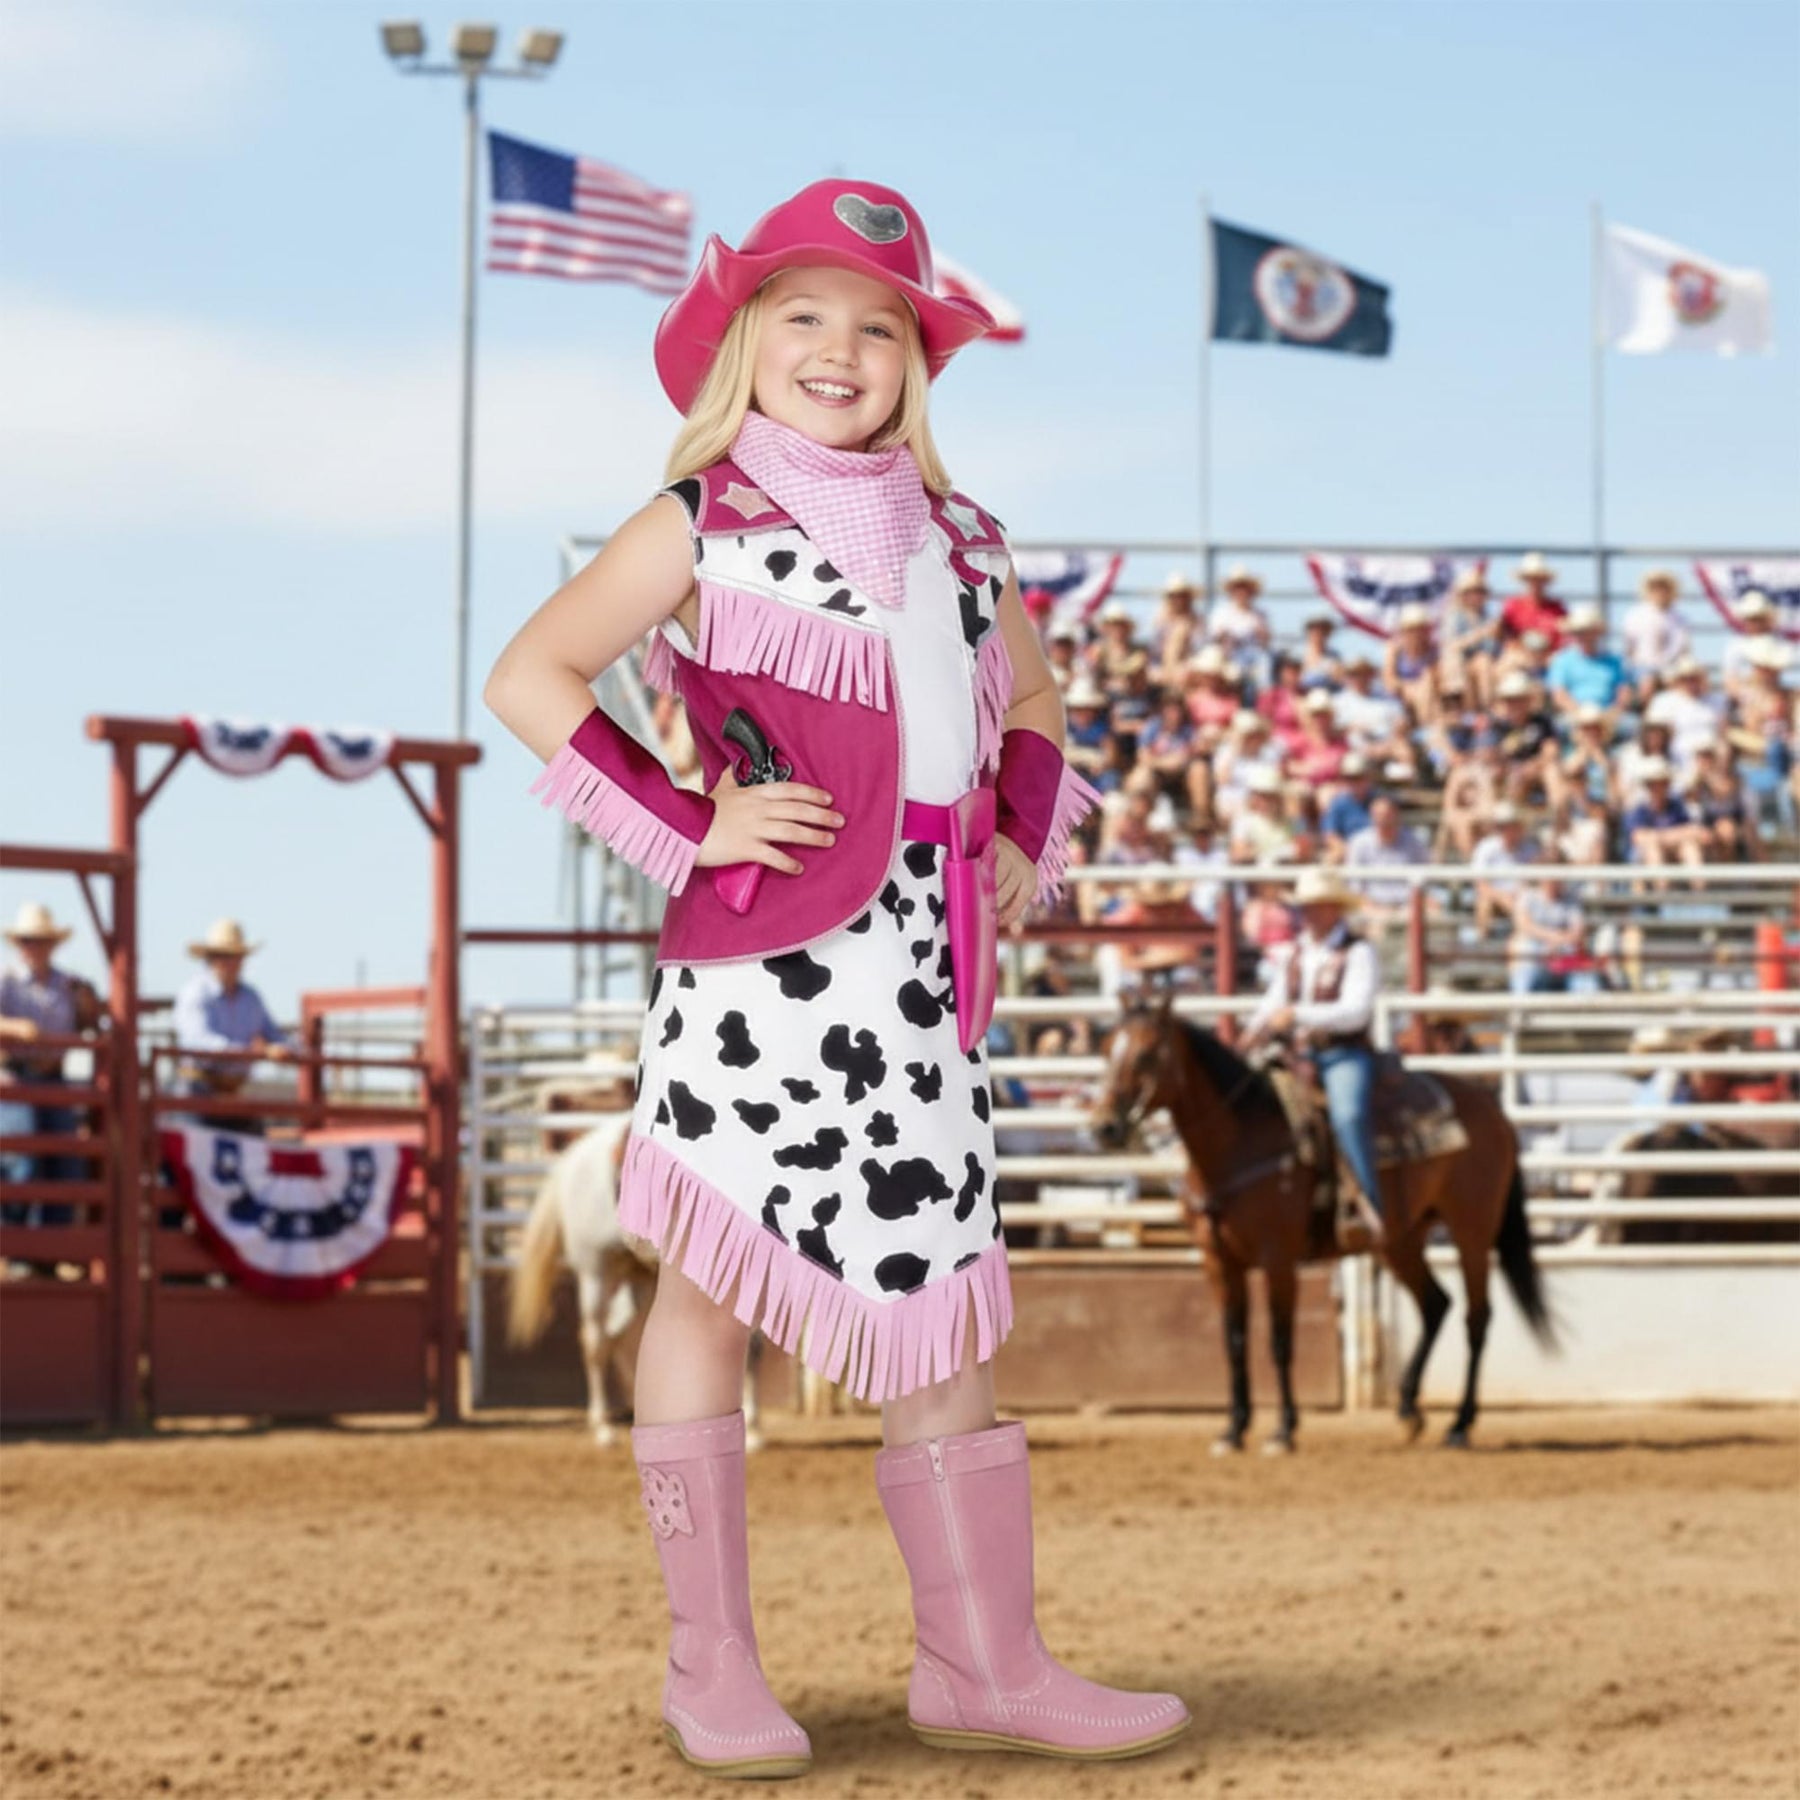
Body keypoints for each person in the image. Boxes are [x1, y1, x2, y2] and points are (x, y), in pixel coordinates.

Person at [482, 178, 1189, 1776]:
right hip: (759, 978)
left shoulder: (966, 541)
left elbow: (1033, 707)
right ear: (743, 339)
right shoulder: (698, 521)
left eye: (880, 326)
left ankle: (983, 1664)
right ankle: (711, 1664)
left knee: (945, 1310)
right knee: (709, 1290)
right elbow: (531, 673)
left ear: (916, 366)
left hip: (922, 979)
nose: (841, 348)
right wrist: (690, 821)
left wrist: (1019, 833)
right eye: (803, 314)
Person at [1242, 870, 1387, 1246]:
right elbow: (1273, 1000)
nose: (1308, 913)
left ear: (1335, 908)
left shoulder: (1359, 951)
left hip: (1344, 1053)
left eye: (1316, 906)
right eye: (1305, 907)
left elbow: (1356, 1012)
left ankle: (1364, 1203)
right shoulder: (1297, 952)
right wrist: (1251, 1032)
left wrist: (1298, 1015)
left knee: (1348, 1115)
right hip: (1298, 1054)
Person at [1, 903, 98, 1233]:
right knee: (20, 1160)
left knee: (67, 1160)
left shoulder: (68, 985)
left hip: (54, 1077)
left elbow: (88, 1021)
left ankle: (53, 1244)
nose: (34, 947)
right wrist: (14, 1029)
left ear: (52, 945)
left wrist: (88, 1006)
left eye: (41, 940)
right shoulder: (6, 980)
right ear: (19, 945)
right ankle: (14, 1243)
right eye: (29, 940)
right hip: (16, 1076)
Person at [171, 919, 295, 1133]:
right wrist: (253, 1052)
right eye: (225, 956)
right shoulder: (195, 994)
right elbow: (199, 1042)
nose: (232, 963)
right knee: (193, 1138)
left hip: (232, 1093)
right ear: (211, 959)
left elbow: (274, 1035)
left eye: (236, 957)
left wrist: (285, 1049)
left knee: (255, 1138)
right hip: (195, 1094)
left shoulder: (251, 998)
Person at [1545, 606, 1631, 727]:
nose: (1582, 636)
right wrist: (1578, 713)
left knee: (1630, 725)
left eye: (1586, 631)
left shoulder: (1614, 661)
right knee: (1558, 726)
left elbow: (1623, 692)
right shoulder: (1562, 660)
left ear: (1596, 633)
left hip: (1608, 714)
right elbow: (1559, 695)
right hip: (1574, 714)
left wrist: (1613, 713)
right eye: (1578, 632)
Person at [1620, 569, 1690, 696]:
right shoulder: (1634, 615)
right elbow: (1629, 648)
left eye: (1664, 588)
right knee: (1647, 683)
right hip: (1641, 667)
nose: (1660, 592)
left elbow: (1682, 649)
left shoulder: (1680, 618)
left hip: (1671, 667)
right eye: (1655, 588)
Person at [1498, 552, 1568, 649]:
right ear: (1525, 581)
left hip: (1550, 654)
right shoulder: (1513, 605)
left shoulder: (1557, 608)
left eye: (1539, 579)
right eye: (1531, 579)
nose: (1535, 583)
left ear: (1545, 582)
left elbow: (1565, 637)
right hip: (1519, 653)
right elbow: (1501, 634)